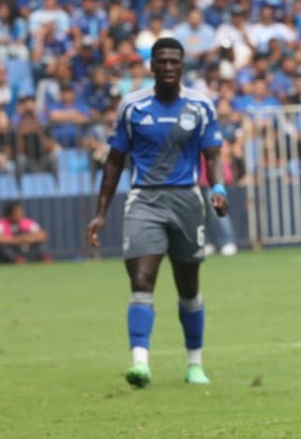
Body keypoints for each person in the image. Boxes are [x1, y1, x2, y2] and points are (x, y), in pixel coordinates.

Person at [86, 38, 227, 388]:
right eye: (161, 61)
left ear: (182, 67)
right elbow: (114, 162)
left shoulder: (201, 106)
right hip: (144, 201)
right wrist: (101, 213)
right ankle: (140, 363)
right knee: (141, 280)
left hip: (187, 202)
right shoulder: (132, 107)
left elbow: (212, 154)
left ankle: (194, 363)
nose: (167, 67)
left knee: (188, 286)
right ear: (151, 67)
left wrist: (219, 188)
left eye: (173, 62)